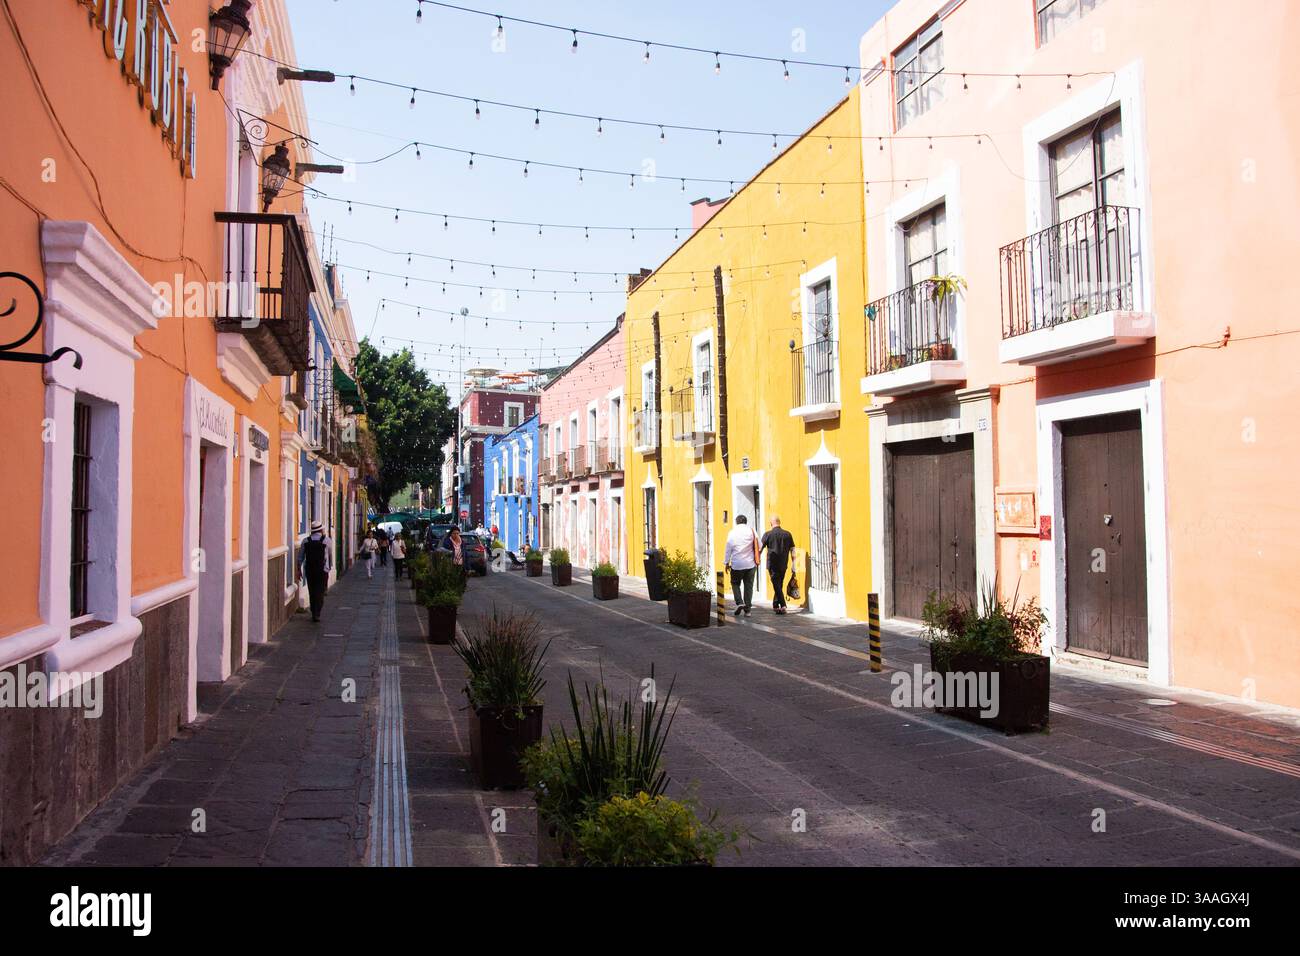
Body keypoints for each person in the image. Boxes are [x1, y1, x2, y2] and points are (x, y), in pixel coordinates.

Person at [723, 515, 761, 616]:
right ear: (745, 521)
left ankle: (739, 602)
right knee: (749, 586)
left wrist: (726, 562)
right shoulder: (752, 531)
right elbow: (759, 545)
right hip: (750, 564)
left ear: (736, 522)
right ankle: (748, 610)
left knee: (735, 583)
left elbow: (728, 548)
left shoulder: (732, 532)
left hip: (737, 564)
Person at [297, 520, 333, 622]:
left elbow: (300, 557)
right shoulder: (327, 540)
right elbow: (330, 555)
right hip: (322, 570)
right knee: (320, 592)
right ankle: (317, 612)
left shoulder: (305, 541)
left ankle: (313, 611)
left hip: (309, 569)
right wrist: (329, 567)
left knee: (312, 591)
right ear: (321, 529)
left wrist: (298, 569)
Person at [759, 516, 796, 615]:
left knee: (776, 584)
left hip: (772, 563)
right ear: (780, 522)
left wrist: (756, 560)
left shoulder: (768, 534)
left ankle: (783, 605)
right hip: (784, 563)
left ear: (771, 524)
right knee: (779, 584)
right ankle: (776, 605)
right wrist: (794, 564)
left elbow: (759, 549)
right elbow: (793, 550)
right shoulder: (788, 534)